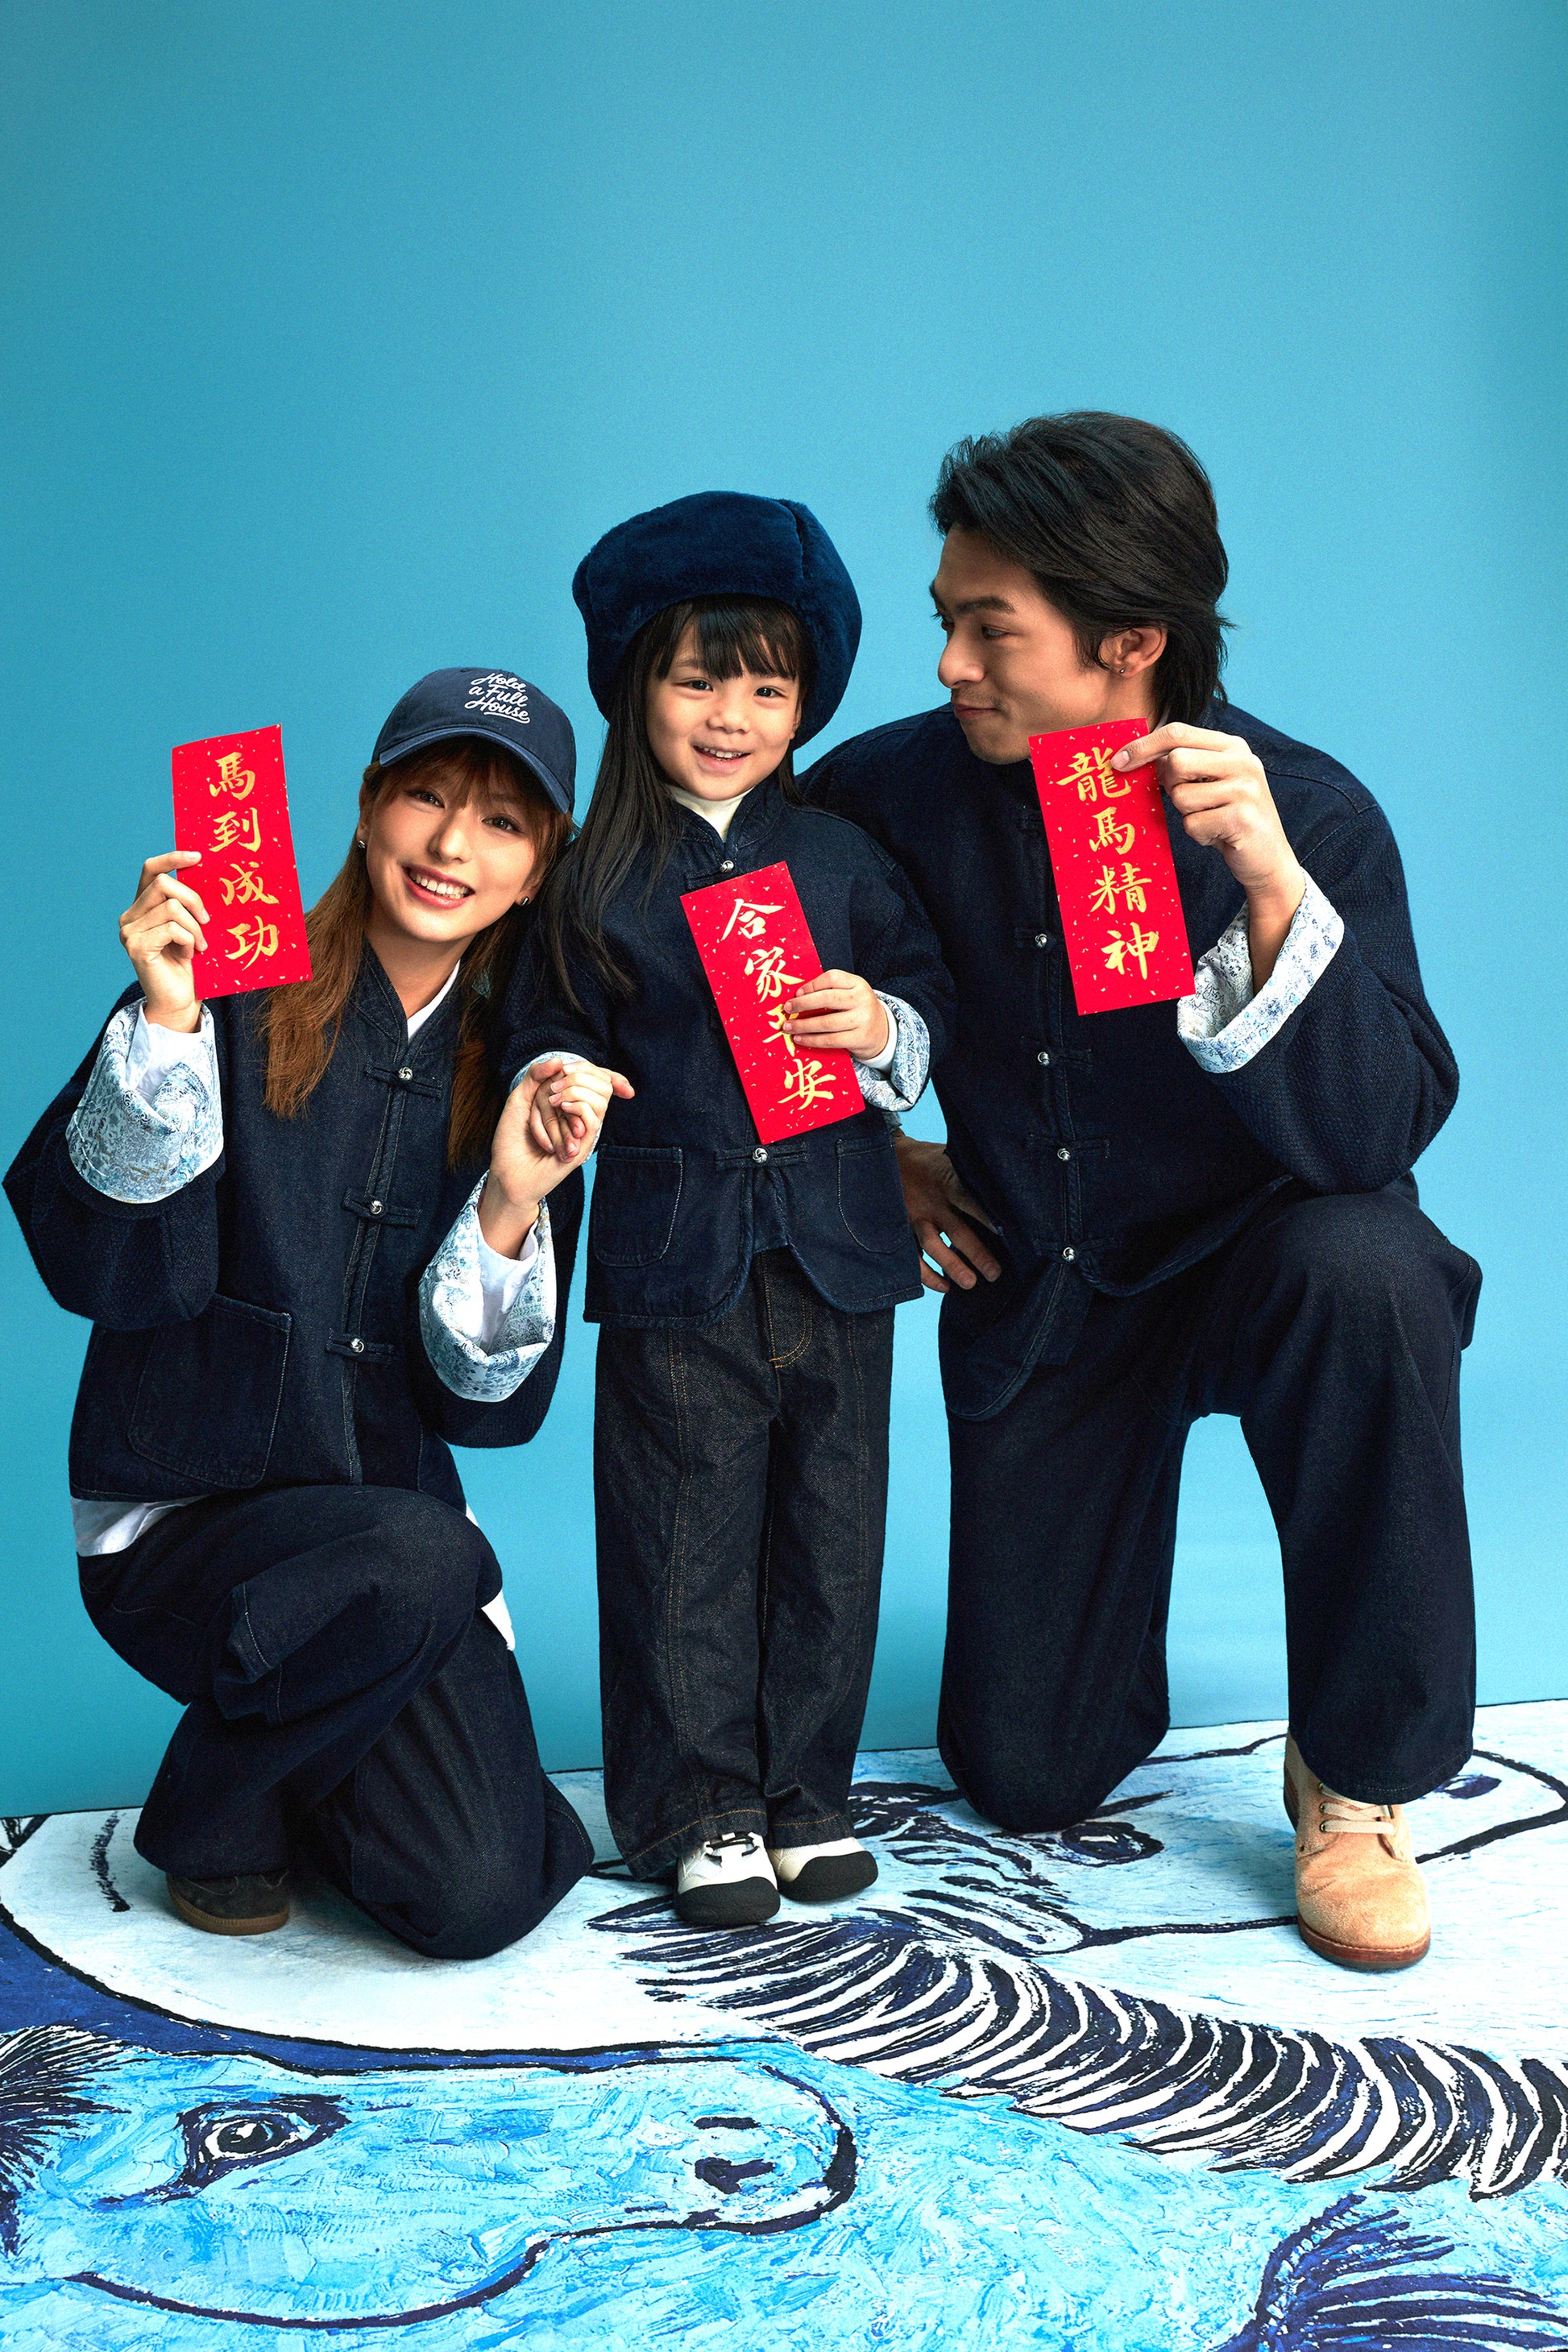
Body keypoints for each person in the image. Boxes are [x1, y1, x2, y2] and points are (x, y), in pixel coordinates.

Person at [803, 413, 1479, 1973]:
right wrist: (875, 1152)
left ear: (1130, 641)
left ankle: (1358, 1778)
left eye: (991, 630)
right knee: (1027, 1770)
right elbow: (744, 939)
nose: (949, 664)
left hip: (1270, 1263)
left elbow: (1382, 1125)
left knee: (1371, 1262)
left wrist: (1269, 887)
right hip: (1049, 1283)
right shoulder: (886, 793)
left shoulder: (1306, 811)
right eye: (944, 620)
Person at [6, 668, 628, 1958]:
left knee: (474, 1893)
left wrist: (513, 1199)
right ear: (364, 806)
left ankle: (308, 1779)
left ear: (537, 869)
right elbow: (105, 1274)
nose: (452, 846)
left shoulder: (517, 1076)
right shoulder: (220, 990)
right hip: (187, 1526)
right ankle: (209, 1816)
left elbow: (482, 1411)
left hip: (388, 1559)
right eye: (426, 797)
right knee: (429, 1552)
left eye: (502, 823)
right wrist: (166, 1021)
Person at [505, 492, 954, 1927]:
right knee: (679, 1536)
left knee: (832, 1530)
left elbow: (928, 999)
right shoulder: (586, 878)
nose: (731, 717)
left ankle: (807, 1794)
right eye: (699, 680)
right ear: (635, 684)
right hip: (676, 1256)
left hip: (838, 1251)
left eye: (767, 688)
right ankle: (694, 1807)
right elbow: (538, 1025)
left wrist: (880, 1025)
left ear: (806, 700)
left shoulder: (841, 856)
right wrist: (561, 1077)